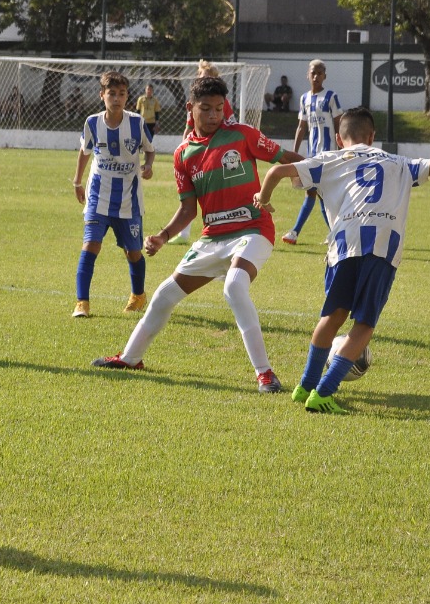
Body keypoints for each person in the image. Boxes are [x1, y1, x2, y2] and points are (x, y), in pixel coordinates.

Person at [255, 107, 430, 414]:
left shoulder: (329, 160)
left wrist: (263, 199)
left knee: (333, 315)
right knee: (365, 324)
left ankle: (306, 386)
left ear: (339, 139)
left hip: (343, 245)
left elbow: (275, 172)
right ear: (372, 137)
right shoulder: (398, 162)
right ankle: (324, 392)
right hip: (381, 245)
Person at [92, 75, 303, 393]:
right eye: (206, 109)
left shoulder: (242, 135)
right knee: (163, 295)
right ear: (190, 108)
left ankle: (265, 374)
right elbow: (188, 209)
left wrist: (324, 170)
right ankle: (131, 358)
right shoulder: (183, 155)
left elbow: (286, 158)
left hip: (253, 230)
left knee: (234, 286)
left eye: (219, 108)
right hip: (212, 238)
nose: (214, 115)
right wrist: (163, 236)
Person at [72, 71, 155, 318]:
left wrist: (148, 165)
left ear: (127, 96)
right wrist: (77, 181)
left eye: (121, 94)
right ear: (102, 95)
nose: (117, 98)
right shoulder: (92, 123)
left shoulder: (136, 122)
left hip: (129, 200)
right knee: (91, 245)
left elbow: (150, 150)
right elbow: (85, 151)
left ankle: (138, 295)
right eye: (112, 94)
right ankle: (82, 303)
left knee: (133, 252)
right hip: (98, 196)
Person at [176, 60, 237, 242]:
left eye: (208, 78)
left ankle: (227, 229)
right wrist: (183, 149)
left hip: (216, 154)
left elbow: (232, 126)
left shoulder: (221, 102)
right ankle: (183, 233)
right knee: (190, 194)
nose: (204, 81)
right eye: (201, 77)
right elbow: (189, 128)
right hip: (198, 153)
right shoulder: (195, 102)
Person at [284, 59, 343, 245]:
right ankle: (334, 233)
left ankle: (295, 232)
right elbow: (301, 126)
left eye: (319, 73)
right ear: (307, 75)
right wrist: (293, 153)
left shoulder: (331, 97)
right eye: (313, 73)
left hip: (329, 155)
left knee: (313, 191)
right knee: (318, 193)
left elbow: (339, 123)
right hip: (312, 154)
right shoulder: (304, 98)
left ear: (325, 76)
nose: (316, 76)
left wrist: (342, 148)